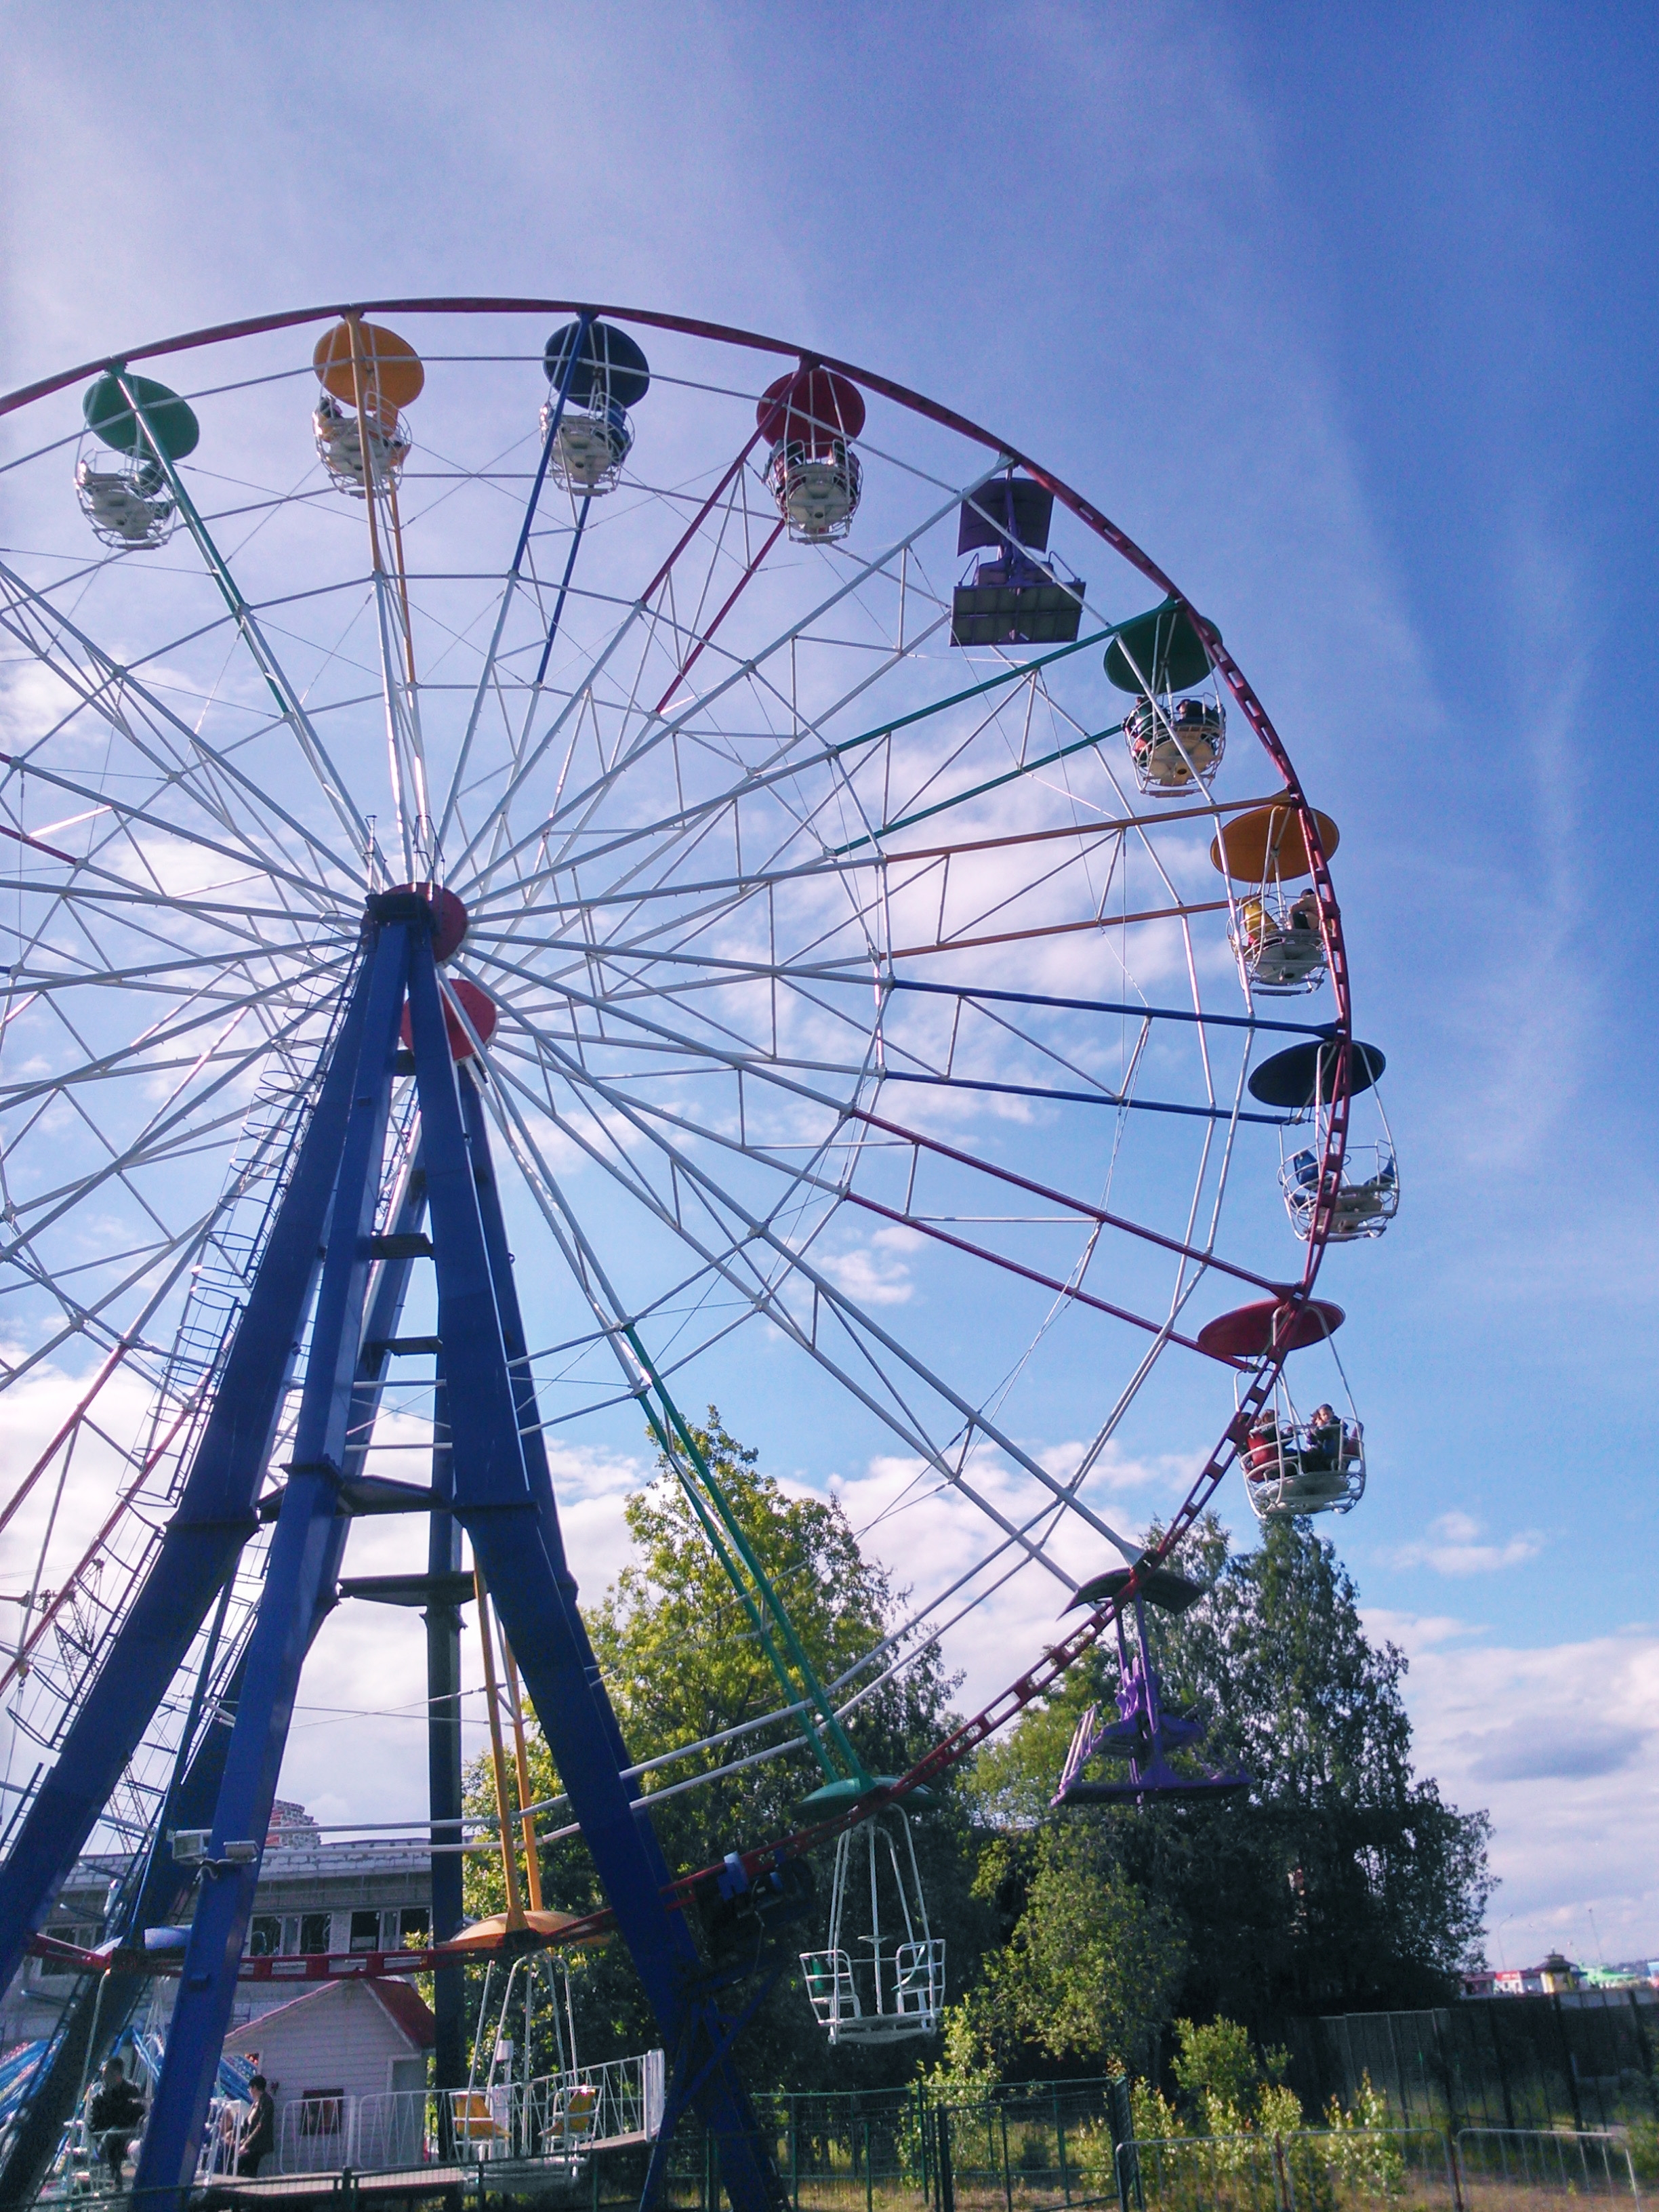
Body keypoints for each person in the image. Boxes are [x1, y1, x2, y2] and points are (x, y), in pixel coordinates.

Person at [88, 2057, 146, 2188]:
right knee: (112, 2136)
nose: (104, 2077)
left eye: (108, 2073)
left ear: (118, 2075)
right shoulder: (99, 2099)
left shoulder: (131, 2092)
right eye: (104, 2074)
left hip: (128, 2135)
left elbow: (139, 2116)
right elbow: (94, 2126)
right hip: (105, 2141)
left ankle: (121, 2181)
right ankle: (117, 2181)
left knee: (118, 2136)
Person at [237, 2074, 276, 2177]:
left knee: (239, 2165)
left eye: (250, 2088)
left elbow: (261, 2125)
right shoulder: (255, 2103)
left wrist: (246, 2145)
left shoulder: (266, 2101)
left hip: (258, 2144)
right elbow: (248, 2125)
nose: (249, 2091)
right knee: (249, 2169)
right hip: (251, 2143)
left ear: (254, 2088)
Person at [1302, 1404, 1342, 1475]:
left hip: (1331, 1453)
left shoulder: (1335, 1423)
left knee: (1307, 1456)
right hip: (1324, 1452)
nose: (1326, 1416)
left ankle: (1318, 1474)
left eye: (1327, 1414)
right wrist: (1313, 1426)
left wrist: (1314, 1429)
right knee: (1305, 1455)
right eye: (1323, 1415)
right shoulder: (1324, 1427)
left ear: (1332, 1413)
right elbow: (1311, 1441)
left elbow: (1321, 1435)